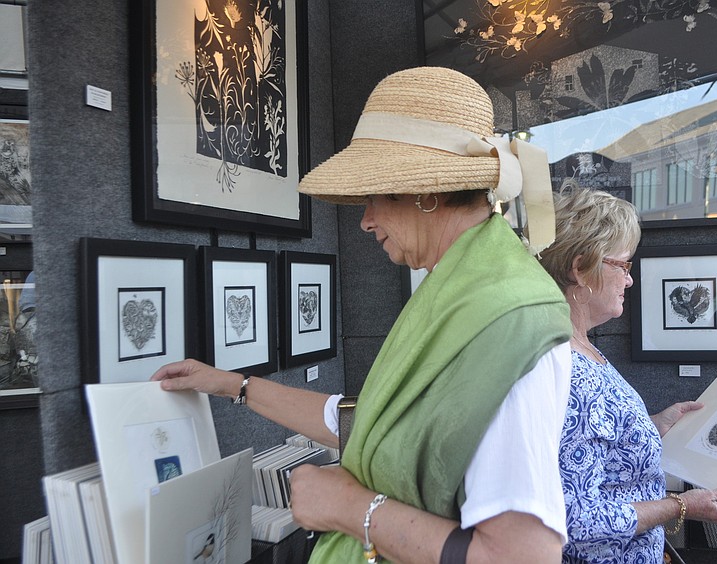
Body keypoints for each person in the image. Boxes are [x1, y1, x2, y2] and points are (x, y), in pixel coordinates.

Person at [153, 66, 575, 563]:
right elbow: (369, 423)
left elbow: (523, 555)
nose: (365, 220)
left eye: (372, 197)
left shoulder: (506, 321)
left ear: (426, 193)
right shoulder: (464, 292)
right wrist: (231, 385)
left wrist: (348, 508)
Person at [536, 186, 717, 564]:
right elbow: (576, 522)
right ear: (580, 269)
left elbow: (596, 444)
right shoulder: (567, 370)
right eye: (624, 265)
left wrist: (655, 424)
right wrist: (679, 505)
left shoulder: (583, 349)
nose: (629, 280)